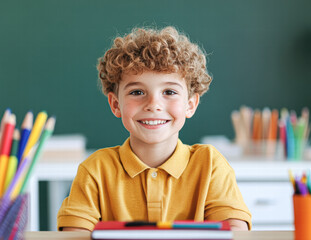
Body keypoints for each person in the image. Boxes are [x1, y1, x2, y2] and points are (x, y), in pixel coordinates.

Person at [57, 26, 252, 231]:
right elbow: (74, 235)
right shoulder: (95, 171)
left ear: (190, 104)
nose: (153, 104)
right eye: (137, 91)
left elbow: (236, 233)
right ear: (115, 105)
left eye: (169, 91)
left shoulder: (211, 166)